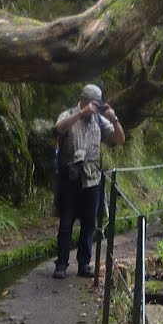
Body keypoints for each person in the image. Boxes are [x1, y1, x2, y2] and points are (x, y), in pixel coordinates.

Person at [53, 84, 125, 278]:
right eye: (92, 103)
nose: (94, 107)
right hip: (70, 177)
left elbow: (120, 139)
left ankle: (84, 264)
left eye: (97, 104)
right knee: (66, 222)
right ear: (83, 100)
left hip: (93, 178)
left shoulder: (100, 121)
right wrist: (80, 113)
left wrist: (114, 119)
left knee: (89, 223)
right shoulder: (68, 114)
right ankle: (61, 264)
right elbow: (58, 128)